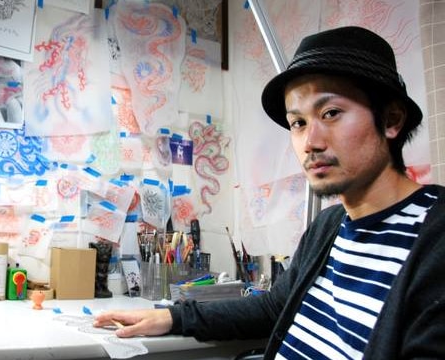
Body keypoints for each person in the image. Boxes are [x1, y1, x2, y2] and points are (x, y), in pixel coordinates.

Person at [94, 26, 445, 359]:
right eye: (298, 123)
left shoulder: (435, 237)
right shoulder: (330, 225)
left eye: (332, 113)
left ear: (391, 120)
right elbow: (274, 306)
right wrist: (173, 318)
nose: (310, 143)